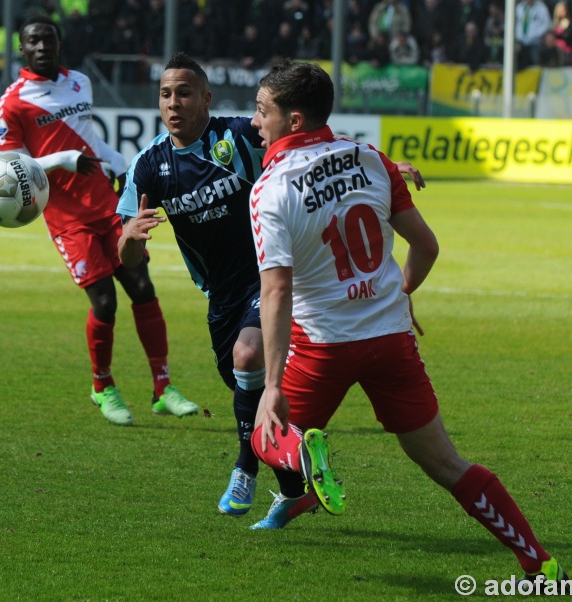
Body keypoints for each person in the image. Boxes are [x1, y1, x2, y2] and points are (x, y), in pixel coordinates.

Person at [246, 59, 568, 585]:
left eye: (263, 111)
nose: (255, 121)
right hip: (391, 340)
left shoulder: (271, 190)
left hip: (324, 343)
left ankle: (302, 452)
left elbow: (277, 290)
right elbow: (427, 246)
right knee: (446, 463)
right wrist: (396, 293)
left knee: (266, 431)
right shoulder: (372, 160)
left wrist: (274, 384)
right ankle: (537, 560)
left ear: (295, 120)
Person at [116, 52, 426, 523]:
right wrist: (131, 240)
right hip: (220, 295)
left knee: (248, 355)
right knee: (247, 388)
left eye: (183, 92)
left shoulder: (239, 135)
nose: (173, 103)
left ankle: (245, 468)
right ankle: (296, 476)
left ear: (206, 98)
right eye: (165, 94)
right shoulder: (148, 165)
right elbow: (126, 254)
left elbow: (313, 142)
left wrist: (380, 163)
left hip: (275, 278)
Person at [0, 15, 198, 426]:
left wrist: (119, 160)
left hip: (106, 202)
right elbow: (8, 165)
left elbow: (87, 135)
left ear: (59, 43)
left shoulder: (79, 82)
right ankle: (102, 387)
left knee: (142, 285)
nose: (41, 47)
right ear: (21, 49)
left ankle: (163, 388)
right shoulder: (11, 103)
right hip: (66, 216)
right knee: (105, 302)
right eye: (32, 42)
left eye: (47, 40)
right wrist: (64, 160)